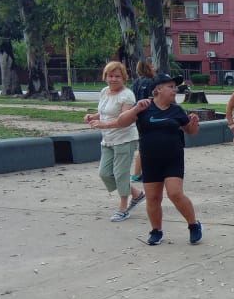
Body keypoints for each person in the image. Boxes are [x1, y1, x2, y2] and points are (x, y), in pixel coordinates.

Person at [103, 74, 203, 246]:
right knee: (153, 198)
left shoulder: (177, 110)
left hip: (173, 158)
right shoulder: (144, 107)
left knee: (175, 193)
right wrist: (135, 110)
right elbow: (121, 122)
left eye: (175, 87)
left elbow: (191, 132)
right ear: (158, 89)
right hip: (150, 160)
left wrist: (193, 124)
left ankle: (193, 225)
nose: (175, 90)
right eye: (170, 86)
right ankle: (156, 230)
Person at [84, 62, 146, 222]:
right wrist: (93, 116)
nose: (113, 79)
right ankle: (137, 194)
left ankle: (123, 207)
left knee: (121, 174)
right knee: (104, 173)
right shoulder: (104, 91)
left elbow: (125, 120)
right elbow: (104, 112)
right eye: (110, 76)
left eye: (117, 76)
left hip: (125, 139)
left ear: (124, 77)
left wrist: (104, 124)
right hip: (108, 139)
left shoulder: (127, 95)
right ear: (105, 76)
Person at [129, 61, 158, 182]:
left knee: (143, 145)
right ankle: (140, 173)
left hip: (138, 115)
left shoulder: (135, 82)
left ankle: (137, 172)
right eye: (151, 66)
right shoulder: (152, 82)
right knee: (149, 146)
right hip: (150, 115)